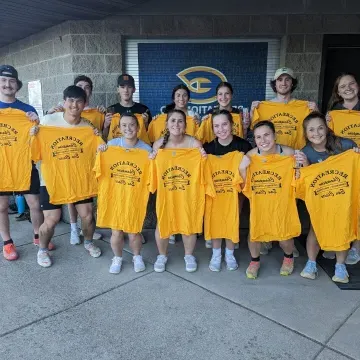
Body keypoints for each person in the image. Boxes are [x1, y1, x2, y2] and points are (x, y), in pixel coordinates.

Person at [33, 85, 102, 268]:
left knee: (87, 216)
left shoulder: (87, 126)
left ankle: (88, 242)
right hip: (51, 180)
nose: (74, 104)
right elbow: (34, 147)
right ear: (64, 102)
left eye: (79, 101)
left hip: (79, 179)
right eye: (70, 100)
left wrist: (98, 137)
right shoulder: (48, 121)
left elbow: (96, 149)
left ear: (85, 104)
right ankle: (42, 249)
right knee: (52, 219)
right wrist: (33, 134)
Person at [294, 112, 359, 283]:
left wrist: (357, 155)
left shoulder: (346, 145)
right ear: (306, 134)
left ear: (327, 128)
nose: (316, 133)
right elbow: (302, 182)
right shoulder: (304, 152)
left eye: (320, 128)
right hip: (320, 200)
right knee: (316, 229)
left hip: (342, 198)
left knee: (342, 229)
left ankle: (340, 266)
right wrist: (304, 166)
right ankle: (311, 263)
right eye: (311, 130)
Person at [47, 75, 104, 244]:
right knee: (69, 200)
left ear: (87, 98)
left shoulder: (94, 115)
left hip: (82, 165)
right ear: (66, 101)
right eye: (81, 86)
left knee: (85, 208)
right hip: (62, 165)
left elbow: (100, 135)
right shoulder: (54, 116)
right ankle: (73, 228)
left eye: (87, 88)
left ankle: (85, 235)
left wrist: (103, 126)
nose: (75, 104)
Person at [150, 109, 207, 273]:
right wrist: (152, 159)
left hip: (188, 192)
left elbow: (201, 167)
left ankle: (189, 255)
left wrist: (202, 158)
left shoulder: (194, 144)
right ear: (167, 124)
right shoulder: (159, 144)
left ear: (185, 124)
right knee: (163, 223)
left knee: (188, 223)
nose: (176, 124)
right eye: (173, 121)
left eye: (180, 121)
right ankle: (162, 255)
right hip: (166, 191)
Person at [0, 64, 46, 260]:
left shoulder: (27, 110)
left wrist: (36, 123)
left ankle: (38, 236)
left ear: (17, 85)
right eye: (3, 80)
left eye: (11, 81)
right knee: (1, 206)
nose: (7, 84)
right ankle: (7, 243)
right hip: (1, 165)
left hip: (24, 163)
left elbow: (39, 137)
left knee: (35, 203)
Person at [97, 114, 152, 273]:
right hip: (115, 196)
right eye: (124, 125)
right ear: (119, 128)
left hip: (135, 196)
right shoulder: (111, 146)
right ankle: (118, 257)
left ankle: (137, 256)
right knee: (116, 232)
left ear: (138, 127)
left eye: (132, 125)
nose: (128, 128)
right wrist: (101, 151)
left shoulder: (146, 150)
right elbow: (100, 165)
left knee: (134, 231)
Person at [244, 121, 298, 279]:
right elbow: (243, 184)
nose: (263, 140)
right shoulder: (251, 157)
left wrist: (302, 162)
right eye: (258, 137)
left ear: (275, 136)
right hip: (260, 202)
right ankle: (254, 261)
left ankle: (289, 257)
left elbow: (300, 177)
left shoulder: (288, 154)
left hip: (282, 202)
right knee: (255, 233)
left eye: (267, 135)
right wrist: (242, 168)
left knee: (284, 236)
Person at [203, 109, 252, 271]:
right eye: (216, 126)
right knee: (216, 222)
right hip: (215, 192)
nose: (221, 129)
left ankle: (229, 254)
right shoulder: (208, 148)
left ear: (232, 125)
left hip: (236, 192)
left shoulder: (243, 146)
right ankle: (216, 254)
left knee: (232, 220)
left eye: (224, 124)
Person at [326, 73, 360, 264]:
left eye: (351, 84)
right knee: (339, 205)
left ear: (357, 85)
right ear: (337, 92)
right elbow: (327, 140)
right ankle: (337, 243)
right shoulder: (333, 113)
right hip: (342, 165)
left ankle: (356, 247)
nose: (348, 88)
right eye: (342, 86)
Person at [250, 67, 318, 149]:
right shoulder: (262, 107)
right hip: (270, 154)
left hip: (295, 155)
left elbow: (317, 129)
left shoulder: (304, 107)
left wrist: (316, 112)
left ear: (292, 83)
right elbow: (254, 131)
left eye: (287, 80)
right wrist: (252, 112)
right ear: (275, 84)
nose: (283, 83)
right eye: (280, 79)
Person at [103, 74, 151, 139]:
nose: (126, 90)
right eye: (122, 87)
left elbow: (150, 137)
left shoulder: (143, 110)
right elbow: (104, 137)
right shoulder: (110, 110)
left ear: (134, 89)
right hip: (116, 148)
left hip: (137, 148)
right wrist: (106, 125)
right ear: (118, 89)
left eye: (129, 87)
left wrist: (145, 123)